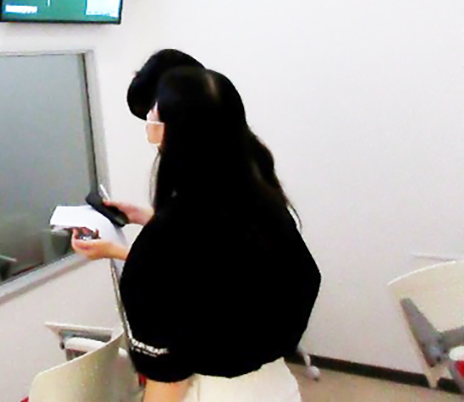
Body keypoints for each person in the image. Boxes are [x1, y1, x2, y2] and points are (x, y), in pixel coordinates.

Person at [73, 65, 320, 402]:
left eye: (153, 119)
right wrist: (150, 222)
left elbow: (168, 380)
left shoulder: (167, 240)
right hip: (277, 387)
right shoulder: (266, 207)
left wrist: (144, 243)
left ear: (173, 135)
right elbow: (217, 264)